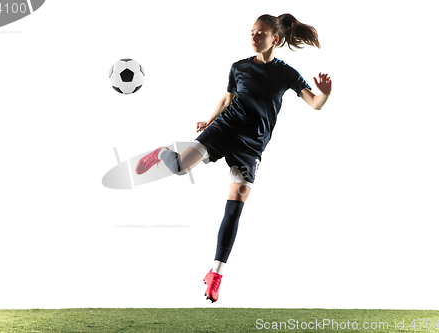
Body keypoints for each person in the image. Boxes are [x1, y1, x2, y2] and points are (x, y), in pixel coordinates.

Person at [135, 13, 332, 303]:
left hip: (251, 147)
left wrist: (325, 94)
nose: (254, 37)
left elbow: (314, 103)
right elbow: (228, 99)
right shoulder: (238, 67)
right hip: (224, 129)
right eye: (252, 32)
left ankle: (215, 275)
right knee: (179, 167)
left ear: (274, 39)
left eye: (260, 33)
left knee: (235, 207)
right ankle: (161, 154)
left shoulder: (286, 73)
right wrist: (209, 119)